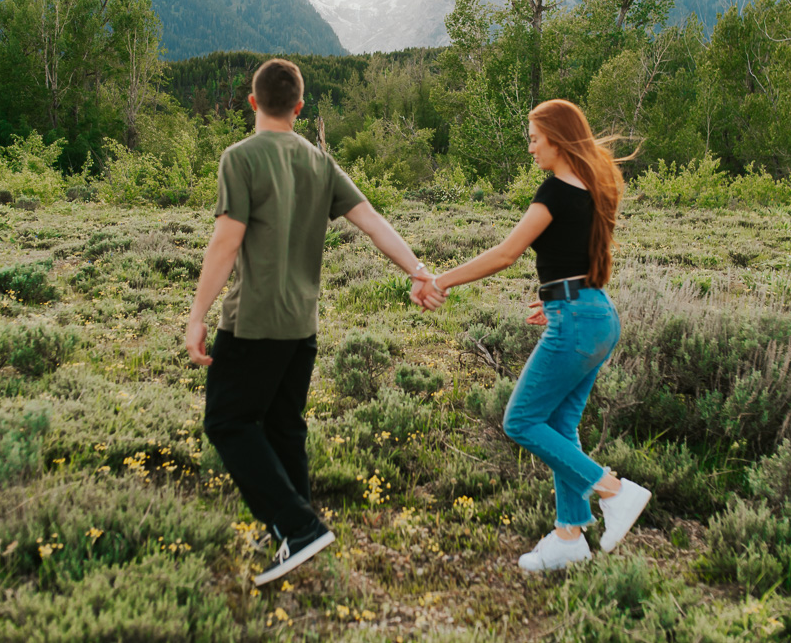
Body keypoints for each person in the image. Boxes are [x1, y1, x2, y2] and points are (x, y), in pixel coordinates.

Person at [185, 58, 443, 587]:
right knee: (283, 425)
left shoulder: (240, 157)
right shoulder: (320, 162)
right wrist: (418, 269)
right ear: (299, 108)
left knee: (228, 422)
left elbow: (226, 242)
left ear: (253, 102)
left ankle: (299, 527)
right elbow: (372, 221)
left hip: (252, 321)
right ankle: (294, 531)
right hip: (301, 325)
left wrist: (196, 315)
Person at [431, 99, 650, 572]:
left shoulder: (554, 191)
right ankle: (569, 538)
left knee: (521, 421)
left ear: (557, 139)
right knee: (561, 427)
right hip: (593, 313)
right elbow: (577, 258)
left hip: (577, 318)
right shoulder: (591, 188)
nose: (530, 148)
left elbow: (505, 254)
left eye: (534, 139)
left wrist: (441, 280)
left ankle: (614, 491)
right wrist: (555, 299)